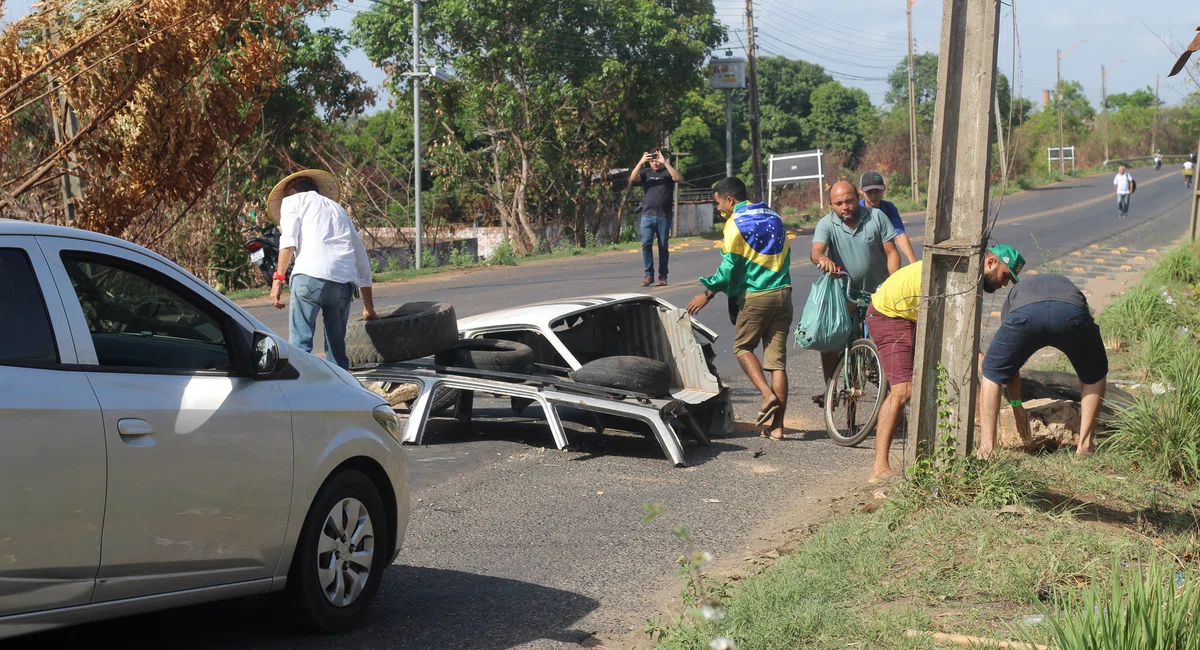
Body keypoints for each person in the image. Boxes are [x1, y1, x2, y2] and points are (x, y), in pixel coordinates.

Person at [865, 245, 1021, 483]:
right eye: (1005, 276)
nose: (1004, 284)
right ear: (991, 263)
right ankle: (879, 468)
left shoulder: (969, 276)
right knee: (903, 390)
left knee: (962, 377)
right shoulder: (962, 275)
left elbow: (964, 340)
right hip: (891, 314)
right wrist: (990, 371)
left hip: (916, 316)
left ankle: (979, 450)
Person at [687, 177, 793, 440]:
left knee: (743, 348)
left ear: (730, 200)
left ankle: (767, 394)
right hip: (784, 292)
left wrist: (707, 293)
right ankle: (777, 428)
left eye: (719, 203)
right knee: (777, 363)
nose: (719, 209)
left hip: (757, 295)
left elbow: (728, 269)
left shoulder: (735, 223)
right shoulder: (772, 213)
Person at [978, 272, 1107, 459]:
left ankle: (987, 450)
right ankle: (1085, 445)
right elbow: (1085, 311)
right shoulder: (1067, 284)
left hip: (1026, 314)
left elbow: (1009, 370)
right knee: (1094, 374)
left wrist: (1017, 407)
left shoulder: (1015, 294)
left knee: (991, 372)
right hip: (1069, 312)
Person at [268, 169, 377, 370]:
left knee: (300, 347)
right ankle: (340, 394)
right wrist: (368, 307)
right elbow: (361, 258)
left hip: (309, 276)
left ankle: (299, 392)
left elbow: (289, 242)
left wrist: (277, 280)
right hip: (343, 283)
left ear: (293, 191)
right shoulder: (338, 210)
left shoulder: (293, 201)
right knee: (337, 350)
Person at [810, 180, 901, 405]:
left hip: (879, 293)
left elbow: (892, 252)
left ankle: (894, 399)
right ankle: (830, 388)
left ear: (856, 197)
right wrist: (822, 259)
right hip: (846, 292)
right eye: (838, 203)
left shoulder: (876, 217)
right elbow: (816, 251)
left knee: (889, 343)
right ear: (831, 204)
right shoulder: (827, 224)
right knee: (829, 338)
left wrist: (893, 283)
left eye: (849, 201)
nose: (845, 207)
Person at [629, 149, 681, 287]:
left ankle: (662, 276)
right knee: (646, 244)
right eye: (652, 160)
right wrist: (641, 162)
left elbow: (677, 178)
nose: (655, 163)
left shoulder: (667, 173)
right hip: (648, 215)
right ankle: (648, 275)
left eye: (657, 160)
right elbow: (633, 177)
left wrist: (666, 162)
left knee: (663, 246)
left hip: (664, 216)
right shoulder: (646, 173)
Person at [859, 170, 918, 265]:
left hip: (885, 258)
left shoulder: (889, 208)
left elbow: (900, 235)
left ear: (883, 189)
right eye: (869, 192)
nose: (874, 195)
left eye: (877, 191)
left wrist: (914, 263)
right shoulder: (856, 210)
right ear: (861, 190)